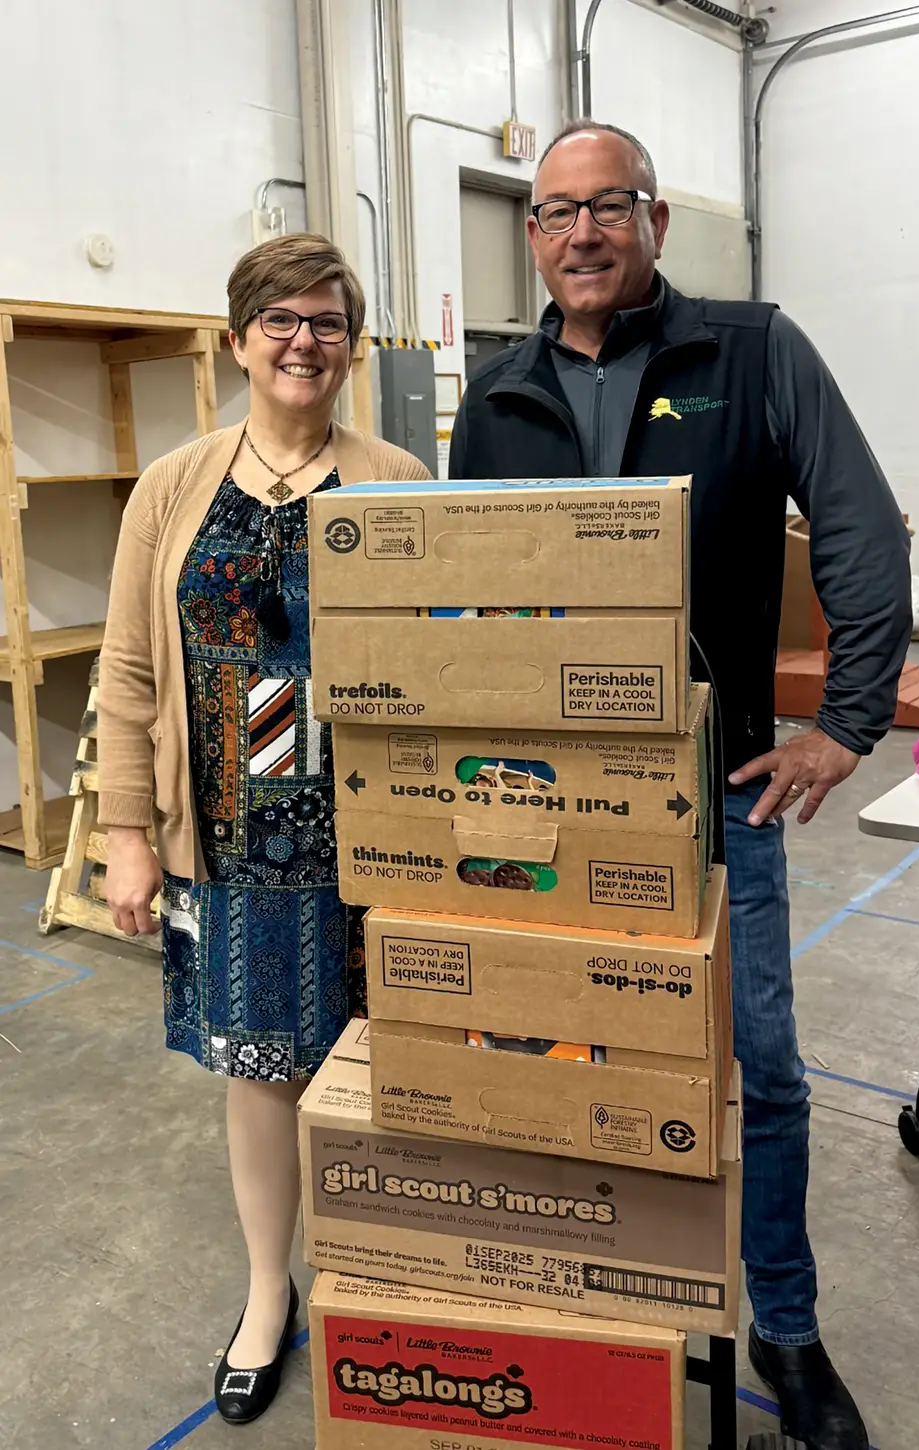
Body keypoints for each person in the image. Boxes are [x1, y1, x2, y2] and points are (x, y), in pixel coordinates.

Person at [450, 122, 912, 1450]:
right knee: (534, 1044)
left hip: (718, 792)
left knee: (757, 1067)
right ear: (530, 237)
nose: (582, 233)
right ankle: (583, 1283)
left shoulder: (752, 350)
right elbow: (461, 600)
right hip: (533, 793)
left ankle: (786, 1317)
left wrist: (850, 721)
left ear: (656, 220)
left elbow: (861, 525)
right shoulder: (495, 391)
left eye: (609, 206)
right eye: (556, 213)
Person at [99, 233, 431, 1426]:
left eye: (329, 322)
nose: (305, 342)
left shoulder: (397, 478)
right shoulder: (175, 487)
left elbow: (441, 657)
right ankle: (264, 1292)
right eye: (281, 320)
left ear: (353, 343)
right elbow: (131, 671)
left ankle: (375, 1278)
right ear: (239, 338)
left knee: (384, 1071)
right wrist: (126, 832)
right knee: (258, 1074)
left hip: (373, 842)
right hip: (235, 841)